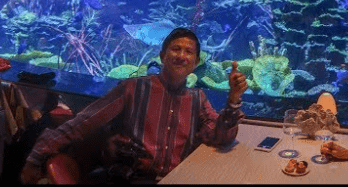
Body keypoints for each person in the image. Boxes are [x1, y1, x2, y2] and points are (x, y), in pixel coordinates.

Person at [20, 27, 247, 184]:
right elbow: (82, 122)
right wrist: (35, 157)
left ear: (196, 63)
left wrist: (233, 99)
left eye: (189, 52)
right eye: (175, 49)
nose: (181, 55)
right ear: (162, 56)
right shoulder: (133, 88)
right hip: (132, 178)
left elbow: (219, 137)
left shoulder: (198, 99)